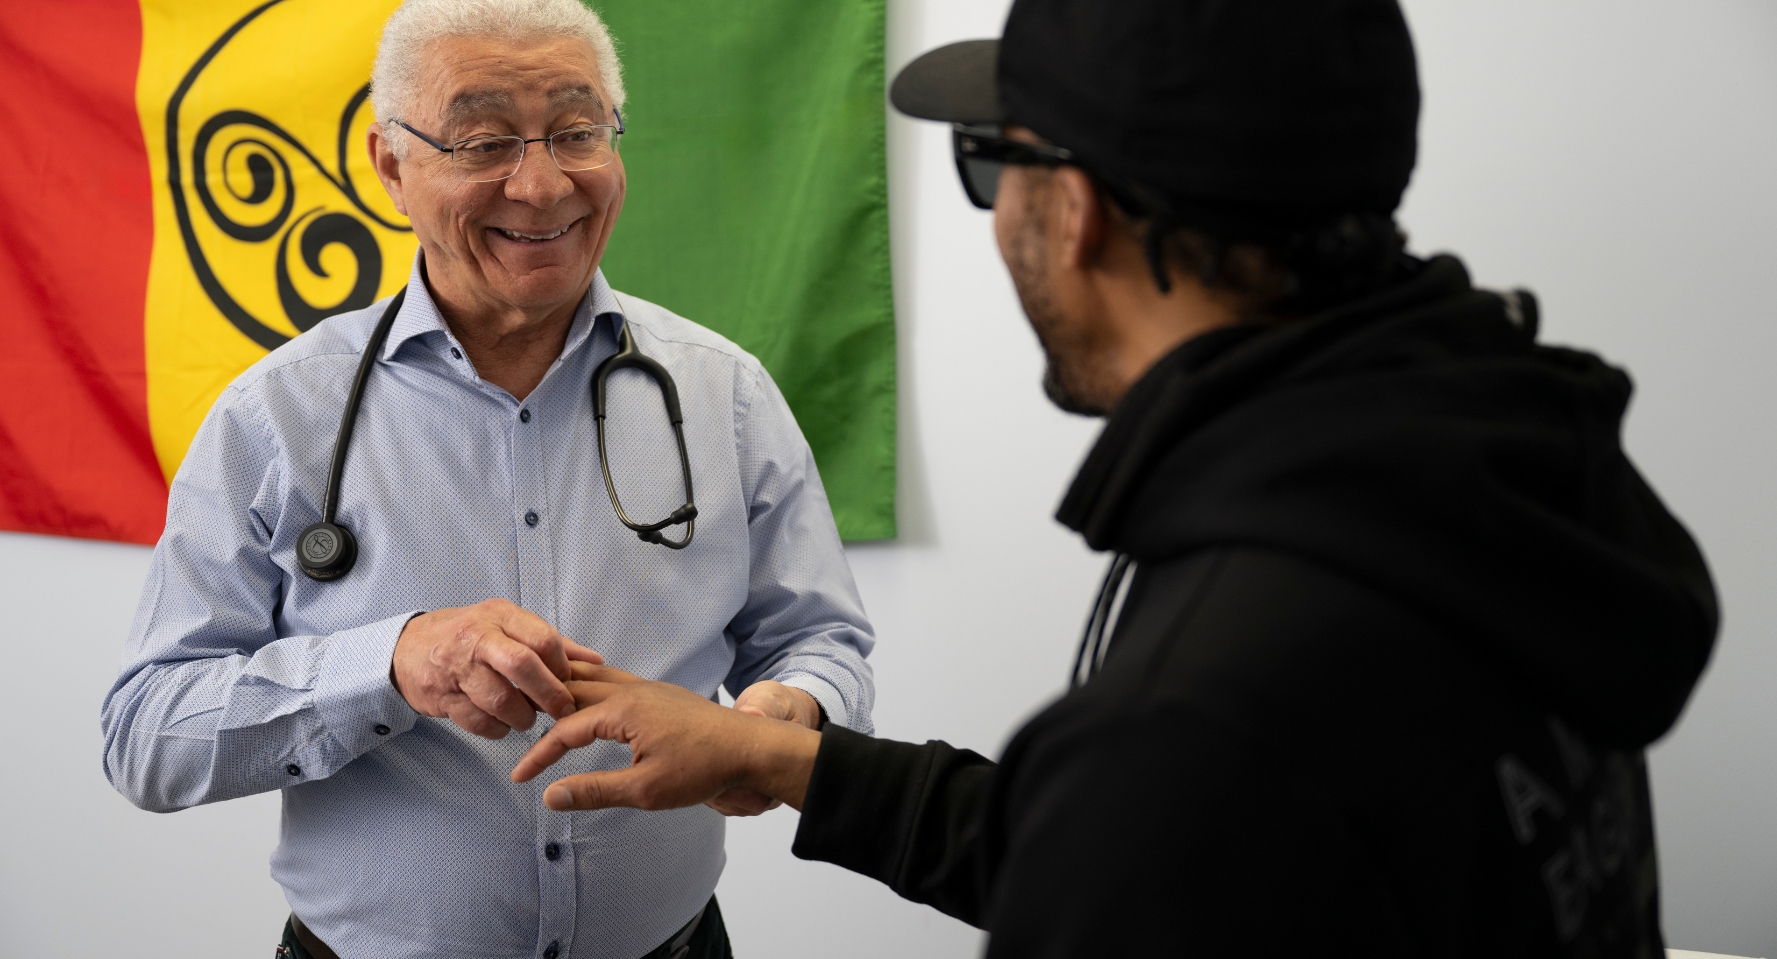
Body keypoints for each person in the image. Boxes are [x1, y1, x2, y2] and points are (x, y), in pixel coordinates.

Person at [508, 0, 1721, 955]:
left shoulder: (1200, 714)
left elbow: (1152, 827)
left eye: (993, 162)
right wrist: (784, 759)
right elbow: (1195, 858)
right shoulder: (1501, 485)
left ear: (1074, 209)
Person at [99, 1, 876, 957]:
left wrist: (781, 717)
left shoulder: (724, 394)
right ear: (392, 164)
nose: (543, 184)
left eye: (576, 130)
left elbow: (820, 641)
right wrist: (387, 664)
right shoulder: (279, 415)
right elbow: (148, 736)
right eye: (483, 141)